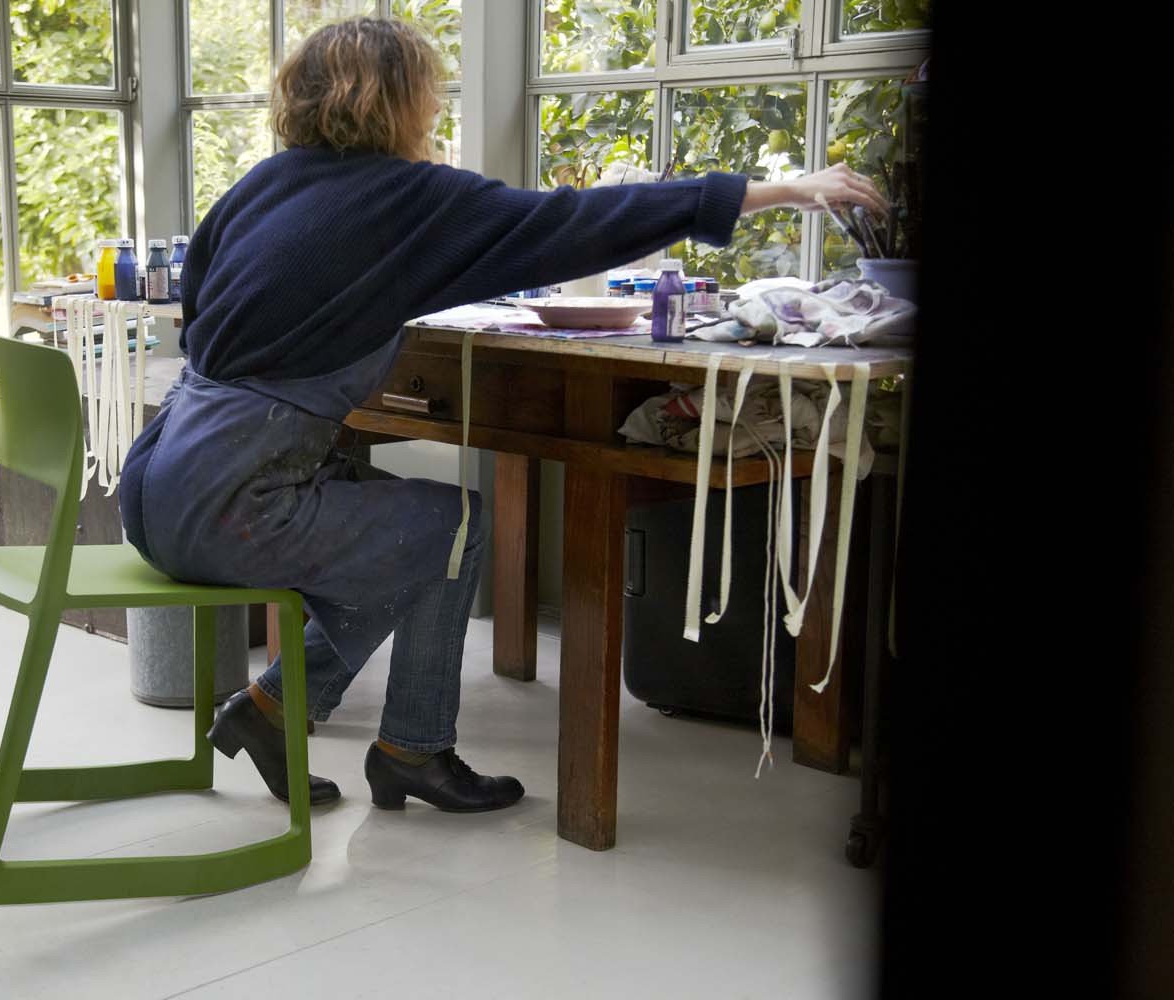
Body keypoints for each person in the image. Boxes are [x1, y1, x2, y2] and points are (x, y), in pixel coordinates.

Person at [120, 16, 887, 814]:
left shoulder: (262, 186)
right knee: (454, 528)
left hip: (155, 486)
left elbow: (204, 312)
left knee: (426, 533)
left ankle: (284, 712)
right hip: (231, 510)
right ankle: (405, 748)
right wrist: (780, 190)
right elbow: (574, 221)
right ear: (400, 99)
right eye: (430, 90)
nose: (437, 105)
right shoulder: (406, 198)